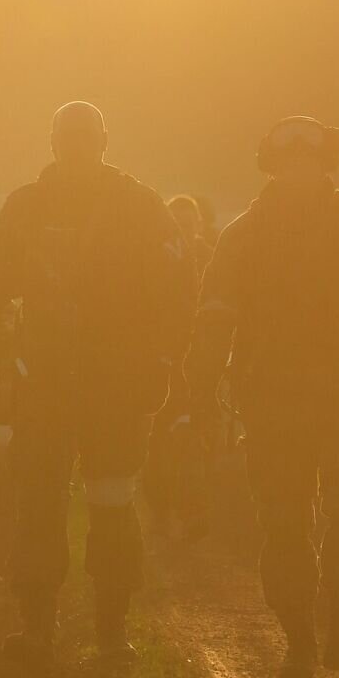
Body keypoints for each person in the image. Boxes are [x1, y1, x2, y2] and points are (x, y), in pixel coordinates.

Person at [186, 116, 339, 678]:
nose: (301, 172)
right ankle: (299, 636)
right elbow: (214, 317)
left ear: (326, 166)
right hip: (272, 405)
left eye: (311, 163)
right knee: (286, 522)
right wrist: (198, 391)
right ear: (274, 168)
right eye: (290, 163)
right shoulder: (244, 236)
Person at [0, 102, 197, 664]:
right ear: (55, 145)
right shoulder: (29, 208)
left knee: (111, 501)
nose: (76, 150)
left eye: (84, 139)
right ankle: (40, 629)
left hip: (114, 387)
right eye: (68, 140)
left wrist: (162, 362)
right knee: (41, 505)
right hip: (47, 380)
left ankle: (110, 632)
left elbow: (178, 289)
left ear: (102, 142)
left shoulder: (139, 207)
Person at [146, 195, 216, 538]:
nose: (183, 232)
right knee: (157, 437)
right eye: (176, 226)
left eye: (188, 225)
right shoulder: (153, 260)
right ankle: (160, 506)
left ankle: (194, 511)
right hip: (161, 359)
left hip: (202, 360)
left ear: (199, 226)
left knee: (189, 434)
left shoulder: (213, 259)